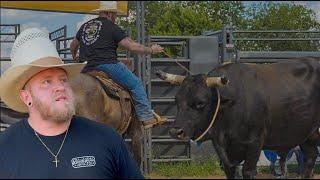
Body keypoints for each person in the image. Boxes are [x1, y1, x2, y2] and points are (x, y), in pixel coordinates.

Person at [0, 28, 144, 179]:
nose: (60, 87)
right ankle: (146, 114)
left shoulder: (109, 139)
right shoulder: (4, 148)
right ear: (26, 97)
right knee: (136, 86)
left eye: (63, 80)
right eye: (47, 82)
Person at [70, 1, 166, 129]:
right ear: (110, 14)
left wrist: (74, 56)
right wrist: (151, 50)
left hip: (85, 68)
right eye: (115, 15)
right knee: (135, 83)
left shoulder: (85, 26)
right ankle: (147, 118)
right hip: (107, 64)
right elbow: (132, 46)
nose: (115, 18)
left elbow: (73, 45)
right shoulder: (112, 27)